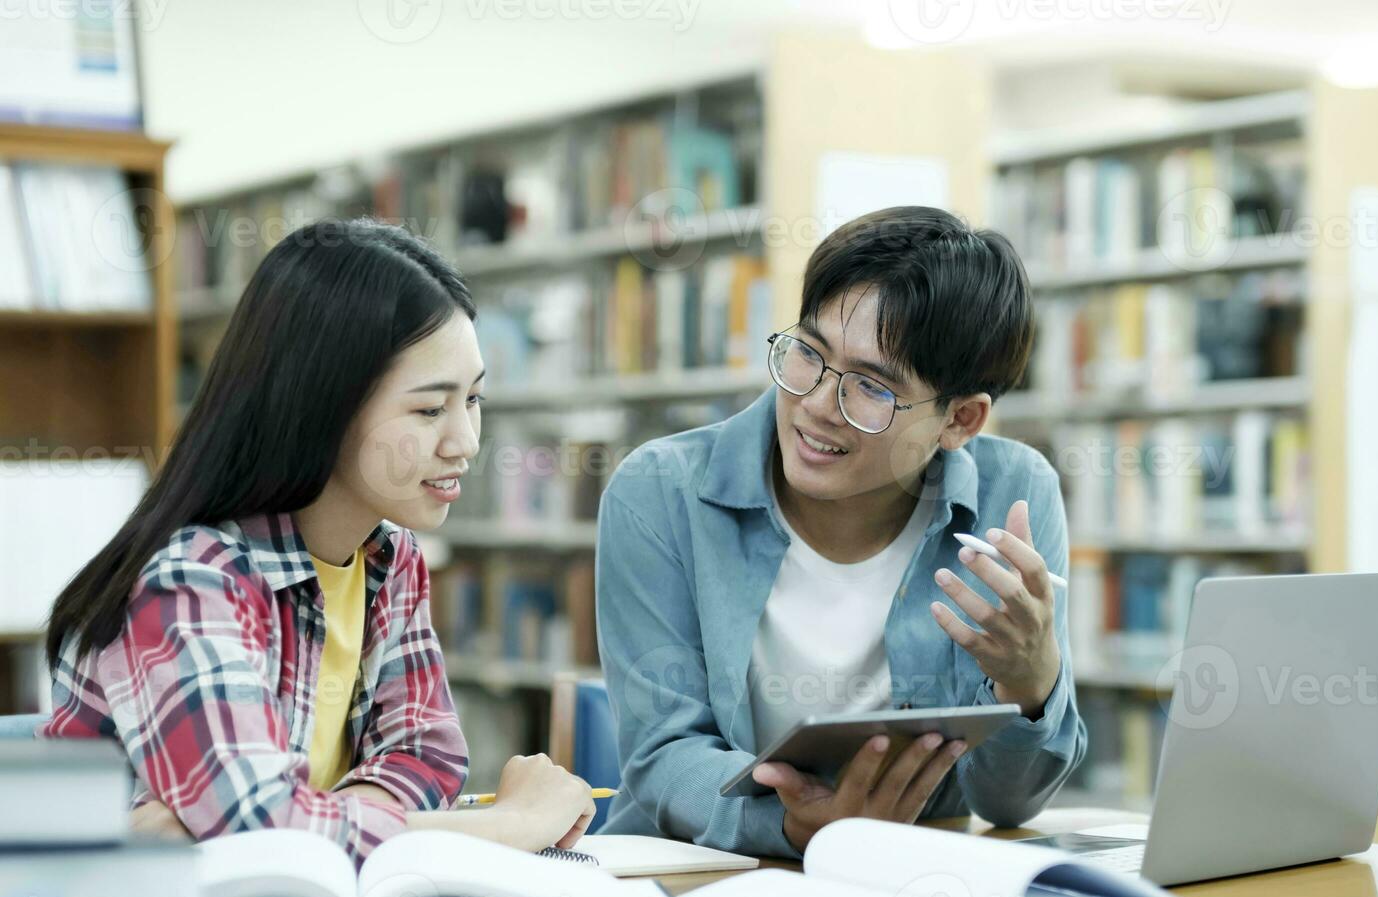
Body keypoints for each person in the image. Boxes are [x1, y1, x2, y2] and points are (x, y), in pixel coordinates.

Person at [42, 218, 593, 863]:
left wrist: (302, 820)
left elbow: (428, 756)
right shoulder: (191, 581)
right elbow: (261, 828)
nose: (466, 441)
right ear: (322, 406)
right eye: (428, 409)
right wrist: (513, 826)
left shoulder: (393, 559)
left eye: (472, 399)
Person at [596, 206, 1086, 856]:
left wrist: (1029, 685)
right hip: (699, 882)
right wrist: (792, 826)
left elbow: (1007, 806)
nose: (817, 406)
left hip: (909, 886)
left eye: (870, 388)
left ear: (961, 421)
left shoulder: (1014, 495)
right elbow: (663, 757)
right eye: (807, 354)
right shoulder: (659, 492)